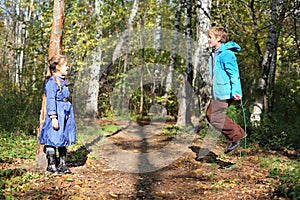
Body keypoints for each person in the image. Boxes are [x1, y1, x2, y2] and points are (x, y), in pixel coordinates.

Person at [205, 26, 245, 154]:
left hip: (225, 91)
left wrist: (236, 92)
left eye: (210, 37)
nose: (208, 40)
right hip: (217, 91)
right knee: (211, 115)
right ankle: (235, 136)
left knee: (213, 116)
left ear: (218, 38)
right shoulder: (214, 54)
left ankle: (236, 136)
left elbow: (234, 73)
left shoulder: (227, 54)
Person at [39, 54, 76, 173]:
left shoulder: (63, 82)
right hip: (57, 113)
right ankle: (51, 164)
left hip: (65, 113)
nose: (67, 67)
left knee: (63, 137)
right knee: (53, 137)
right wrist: (53, 117)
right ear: (58, 67)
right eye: (65, 65)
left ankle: (62, 164)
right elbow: (50, 100)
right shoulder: (51, 82)